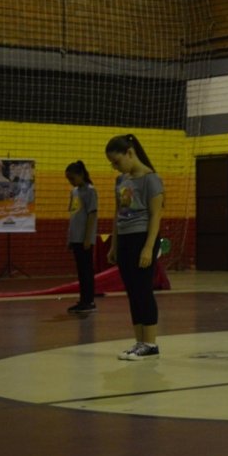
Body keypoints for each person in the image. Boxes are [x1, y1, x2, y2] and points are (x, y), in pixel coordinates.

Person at [105, 134, 164, 360]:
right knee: (132, 292)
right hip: (126, 239)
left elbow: (156, 215)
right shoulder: (121, 181)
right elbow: (117, 213)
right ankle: (139, 342)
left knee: (143, 290)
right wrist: (114, 244)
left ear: (130, 153)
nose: (115, 166)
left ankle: (151, 344)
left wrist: (149, 248)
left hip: (143, 238)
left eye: (117, 161)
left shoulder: (151, 179)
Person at [65, 161, 98, 314]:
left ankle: (89, 300)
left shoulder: (90, 191)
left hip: (84, 238)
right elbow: (73, 215)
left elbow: (92, 215)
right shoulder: (74, 192)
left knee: (86, 271)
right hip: (75, 237)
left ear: (81, 175)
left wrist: (88, 238)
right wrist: (70, 238)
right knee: (80, 271)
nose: (71, 182)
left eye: (72, 178)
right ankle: (83, 299)